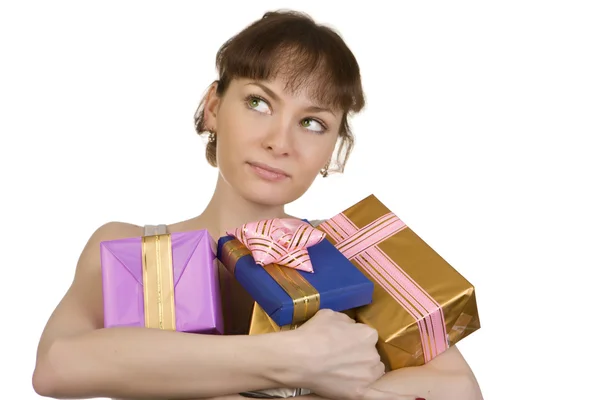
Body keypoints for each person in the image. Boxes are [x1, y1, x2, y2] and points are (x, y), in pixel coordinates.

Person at [32, 10, 483, 400]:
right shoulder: (128, 248)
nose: (279, 142)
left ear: (334, 149)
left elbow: (459, 388)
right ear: (213, 106)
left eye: (312, 122)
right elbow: (56, 366)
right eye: (258, 102)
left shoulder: (355, 247)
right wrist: (296, 361)